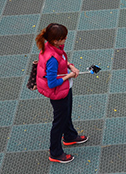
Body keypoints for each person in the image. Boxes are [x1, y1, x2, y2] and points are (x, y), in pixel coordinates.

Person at [35, 23, 88, 164]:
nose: (66, 39)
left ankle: (70, 135)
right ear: (56, 40)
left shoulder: (53, 48)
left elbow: (62, 61)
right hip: (58, 93)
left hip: (64, 89)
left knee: (66, 113)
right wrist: (69, 76)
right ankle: (55, 152)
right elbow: (52, 83)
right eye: (64, 38)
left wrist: (71, 66)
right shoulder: (52, 58)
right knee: (58, 122)